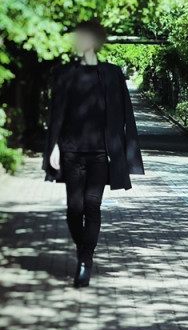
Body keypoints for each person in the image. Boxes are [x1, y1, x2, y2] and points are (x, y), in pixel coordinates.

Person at [42, 19, 144, 288]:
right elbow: (56, 115)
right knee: (74, 208)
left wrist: (122, 152)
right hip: (70, 151)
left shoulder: (111, 74)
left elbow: (124, 115)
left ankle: (85, 260)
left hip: (100, 153)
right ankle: (83, 249)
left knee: (92, 205)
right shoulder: (66, 73)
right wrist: (53, 146)